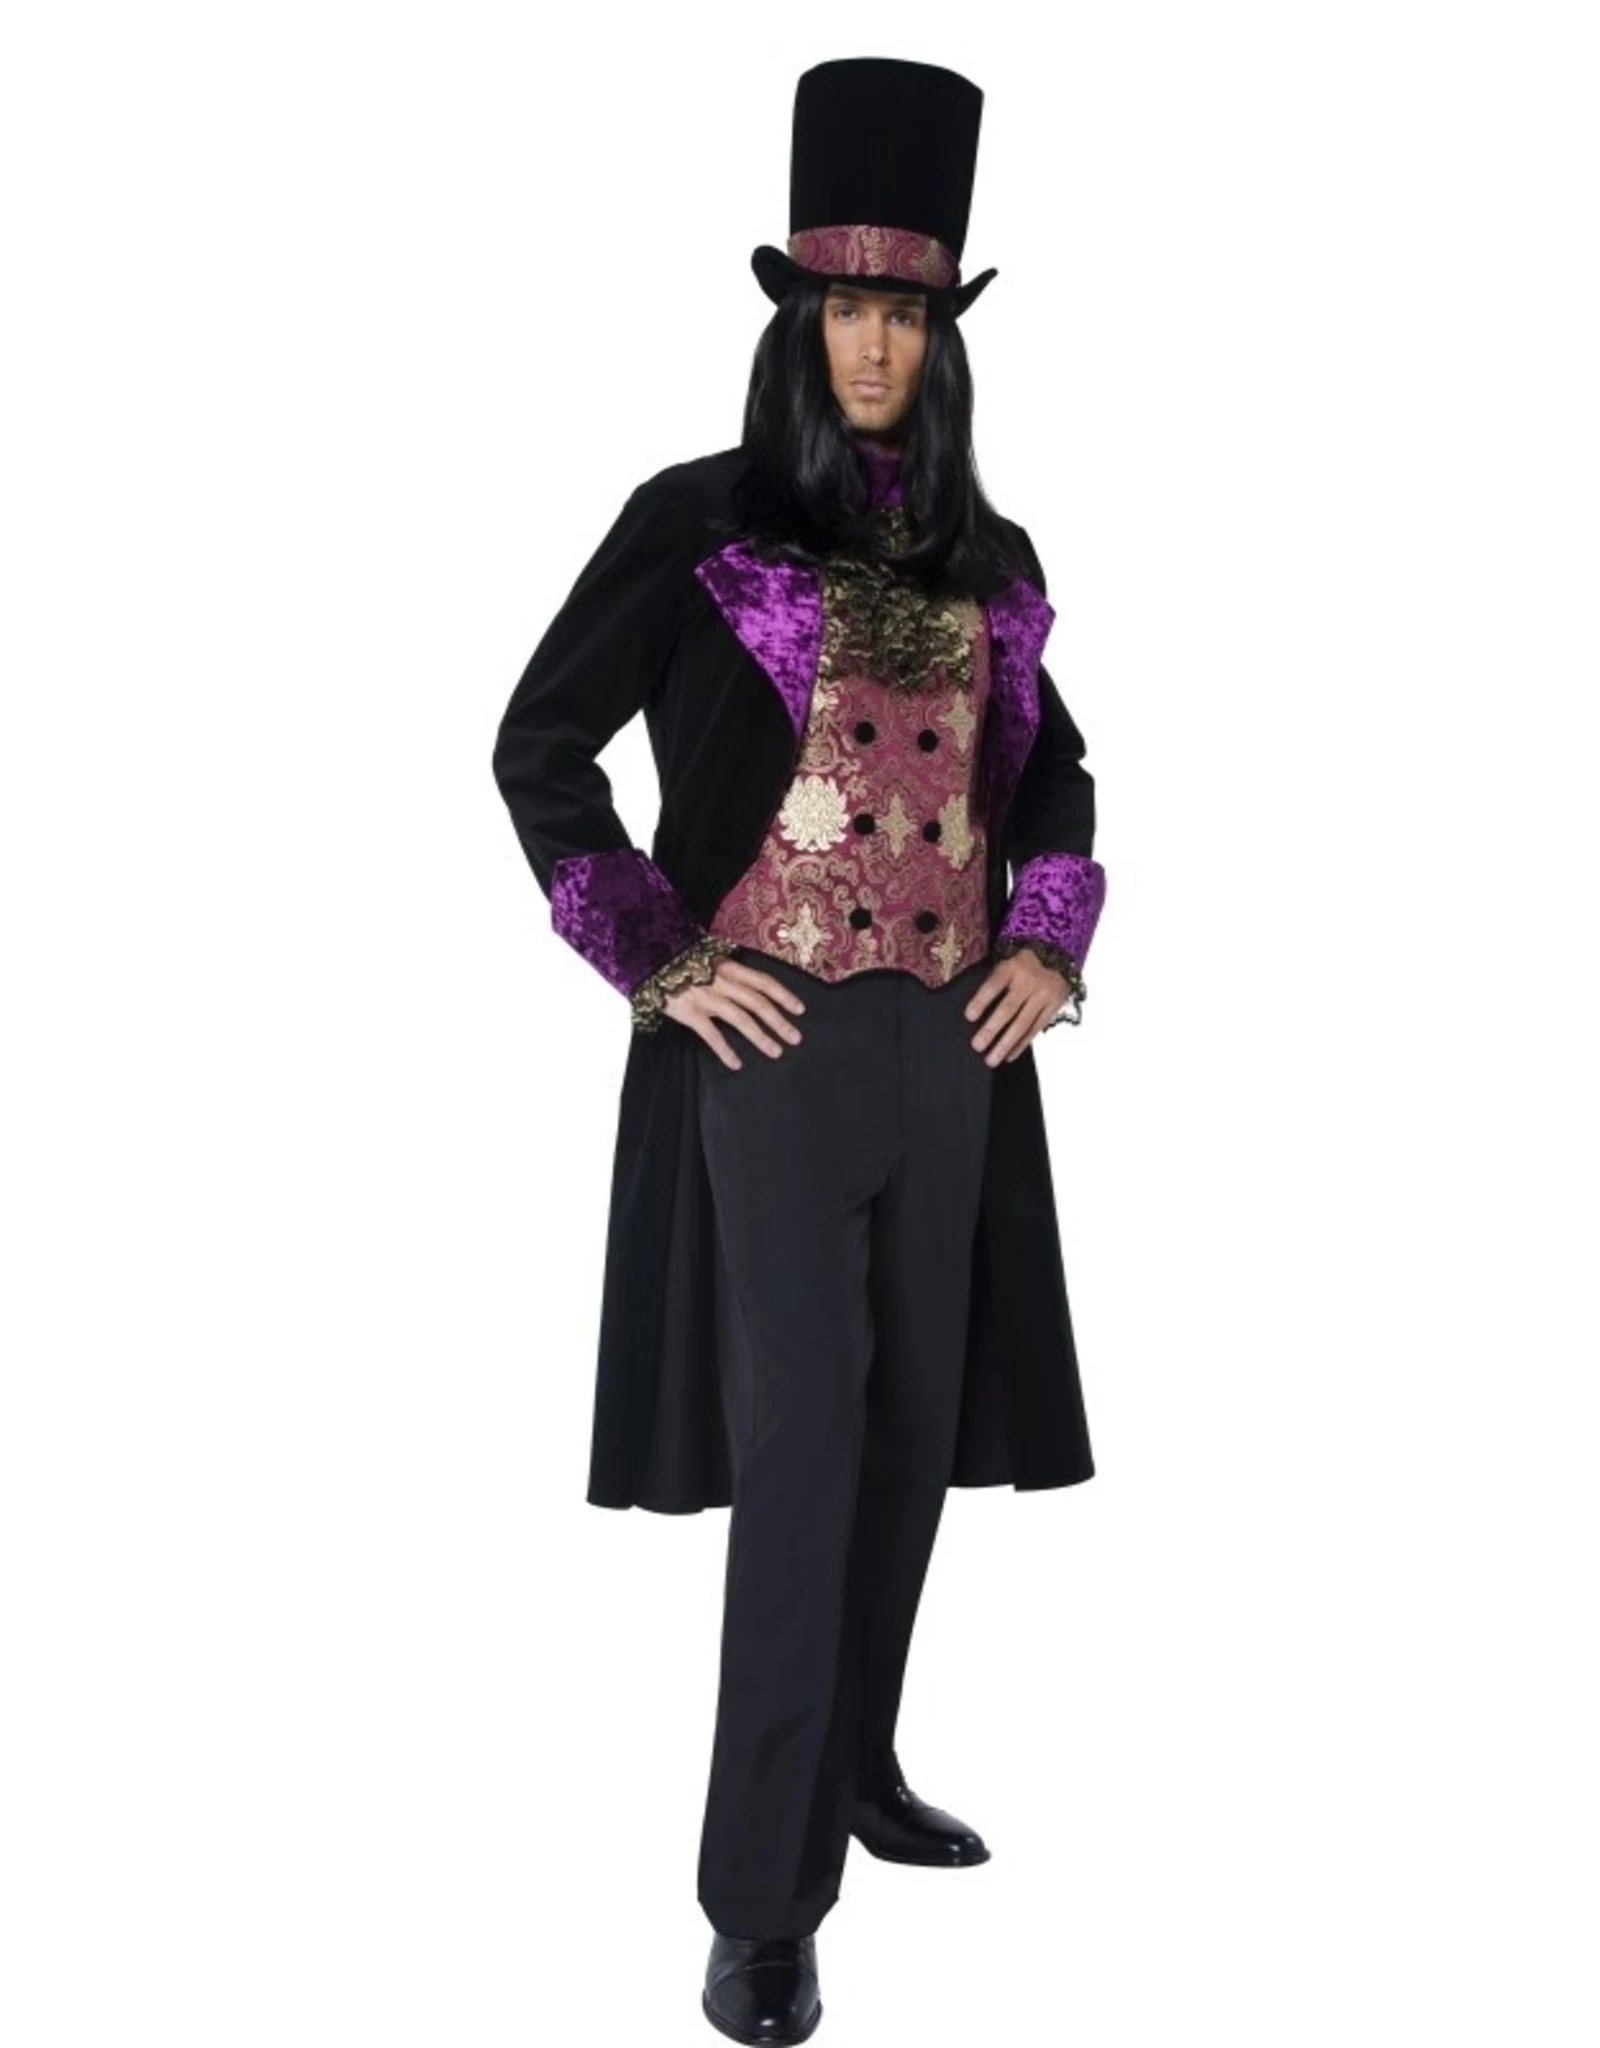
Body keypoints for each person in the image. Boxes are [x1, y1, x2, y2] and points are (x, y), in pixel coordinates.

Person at [491, 57, 1107, 2046]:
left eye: (905, 311)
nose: (873, 342)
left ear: (941, 335)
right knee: (807, 1446)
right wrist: (656, 956)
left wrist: (1050, 934)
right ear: (796, 320)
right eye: (844, 305)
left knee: (911, 1424)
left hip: (950, 1058)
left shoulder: (992, 565)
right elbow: (537, 747)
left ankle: (854, 1758)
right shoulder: (698, 525)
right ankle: (759, 1902)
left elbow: (1060, 772)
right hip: (764, 1050)